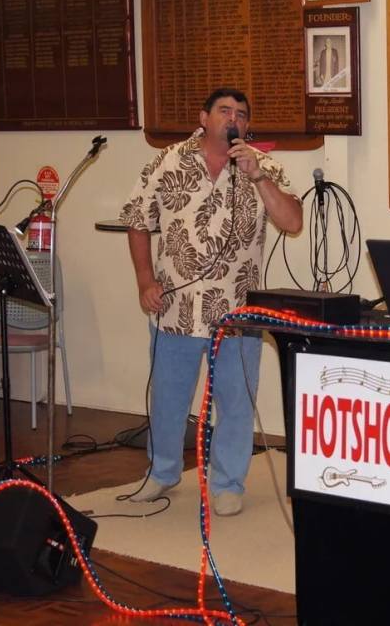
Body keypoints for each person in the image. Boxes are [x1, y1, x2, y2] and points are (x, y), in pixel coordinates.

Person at [119, 88, 302, 516]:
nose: (232, 118)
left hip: (238, 309)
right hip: (175, 307)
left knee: (235, 400)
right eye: (224, 111)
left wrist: (257, 175)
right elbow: (136, 220)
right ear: (204, 117)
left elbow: (292, 221)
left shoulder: (263, 166)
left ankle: (228, 482)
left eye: (240, 113)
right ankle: (162, 473)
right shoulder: (167, 161)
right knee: (168, 398)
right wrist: (144, 278)